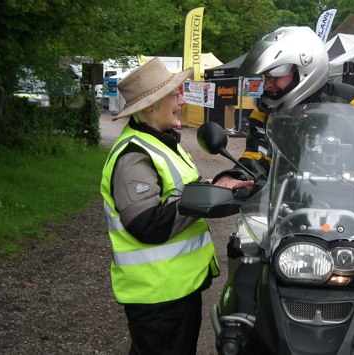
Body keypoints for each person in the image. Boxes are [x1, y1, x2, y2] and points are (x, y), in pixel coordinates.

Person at [213, 26, 354, 213]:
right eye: (265, 77)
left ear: (305, 67)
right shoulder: (264, 110)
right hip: (285, 211)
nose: (267, 84)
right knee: (245, 254)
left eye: (275, 76)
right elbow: (257, 156)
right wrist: (235, 177)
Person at [100, 57, 224, 355]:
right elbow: (148, 224)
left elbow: (180, 191)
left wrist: (220, 186)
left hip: (176, 289)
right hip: (158, 296)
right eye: (175, 94)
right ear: (151, 107)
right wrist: (203, 200)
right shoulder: (134, 156)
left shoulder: (165, 141)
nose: (182, 100)